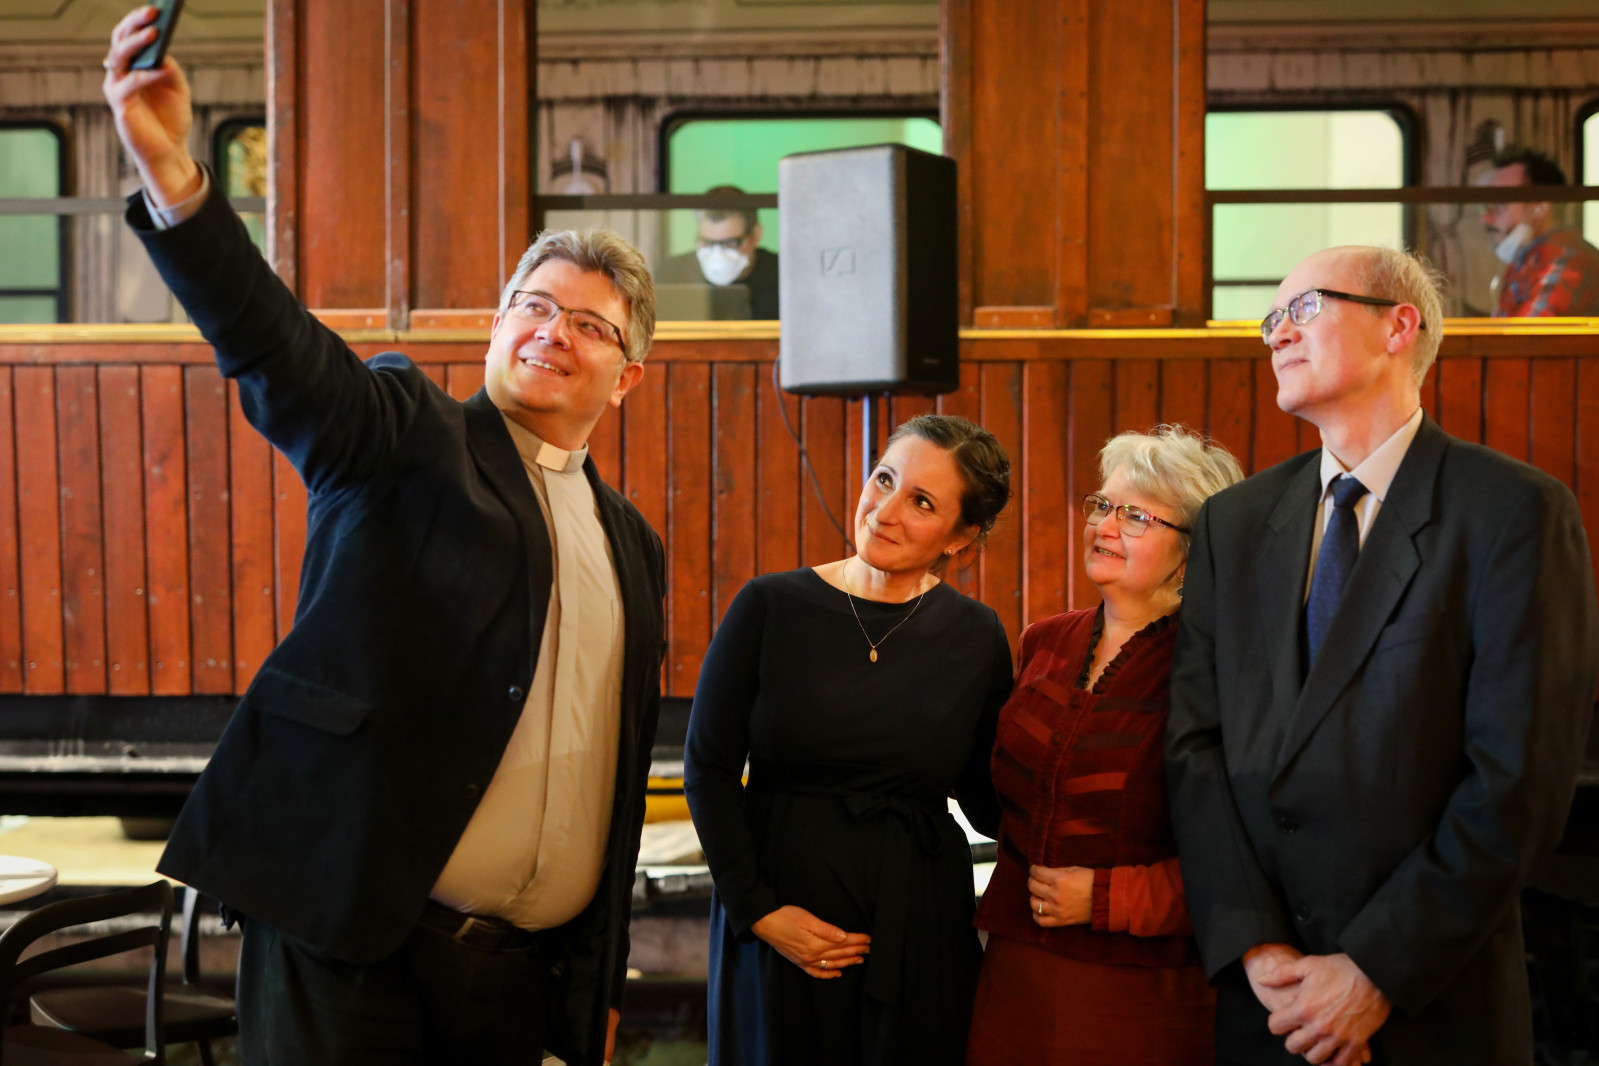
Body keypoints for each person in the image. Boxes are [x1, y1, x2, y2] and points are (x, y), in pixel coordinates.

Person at [103, 9, 665, 1064]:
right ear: (497, 326)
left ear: (626, 376)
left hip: (518, 980)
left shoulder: (630, 542)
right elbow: (275, 346)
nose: (553, 332)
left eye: (589, 326)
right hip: (355, 946)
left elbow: (618, 774)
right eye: (533, 307)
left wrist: (594, 982)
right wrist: (174, 178)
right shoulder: (404, 432)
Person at [1167, 245, 1599, 1065]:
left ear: (1398, 327)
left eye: (1302, 309)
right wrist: (1254, 943)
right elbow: (1196, 746)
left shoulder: (1513, 513)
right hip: (1268, 1001)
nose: (1276, 335)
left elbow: (1519, 779)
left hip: (1428, 1000)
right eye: (1269, 320)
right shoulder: (1235, 521)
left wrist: (1374, 971)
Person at [683, 414, 1014, 1066]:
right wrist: (758, 910)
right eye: (883, 479)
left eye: (921, 502)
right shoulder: (769, 605)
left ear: (961, 537)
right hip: (778, 913)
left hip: (918, 922)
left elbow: (987, 797)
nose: (884, 512)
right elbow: (708, 768)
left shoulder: (977, 635)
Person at [966, 425, 1242, 1066]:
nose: (1105, 526)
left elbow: (1247, 859)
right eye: (1103, 505)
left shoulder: (1217, 667)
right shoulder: (1045, 641)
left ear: (1190, 550)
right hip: (1012, 974)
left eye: (1137, 516)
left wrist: (1109, 897)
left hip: (1142, 987)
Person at [1481, 146, 1599, 317]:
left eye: (1500, 204)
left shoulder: (1563, 258)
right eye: (1487, 205)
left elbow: (1528, 332)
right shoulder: (1527, 259)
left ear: (1539, 208)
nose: (1486, 218)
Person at [656, 185, 780, 318]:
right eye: (707, 242)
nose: (717, 254)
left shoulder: (782, 275)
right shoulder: (671, 275)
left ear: (755, 236)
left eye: (730, 243)